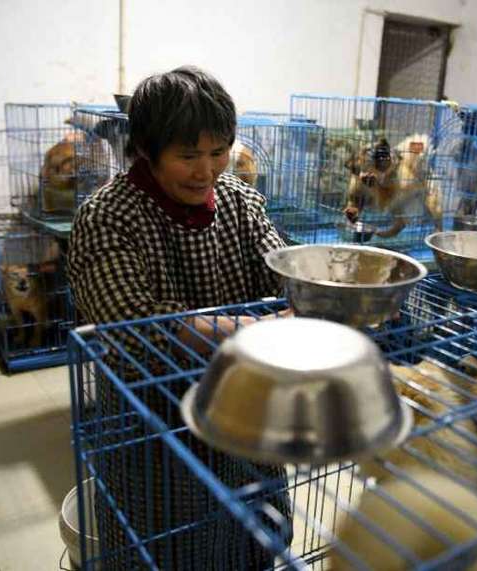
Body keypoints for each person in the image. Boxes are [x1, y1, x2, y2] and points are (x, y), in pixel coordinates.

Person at [67, 66, 291, 570]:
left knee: (254, 536)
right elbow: (134, 325)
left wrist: (311, 299)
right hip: (155, 422)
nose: (206, 170)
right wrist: (258, 331)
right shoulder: (108, 215)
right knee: (165, 547)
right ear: (146, 149)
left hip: (244, 413)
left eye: (218, 152)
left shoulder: (242, 202)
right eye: (188, 156)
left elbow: (284, 272)